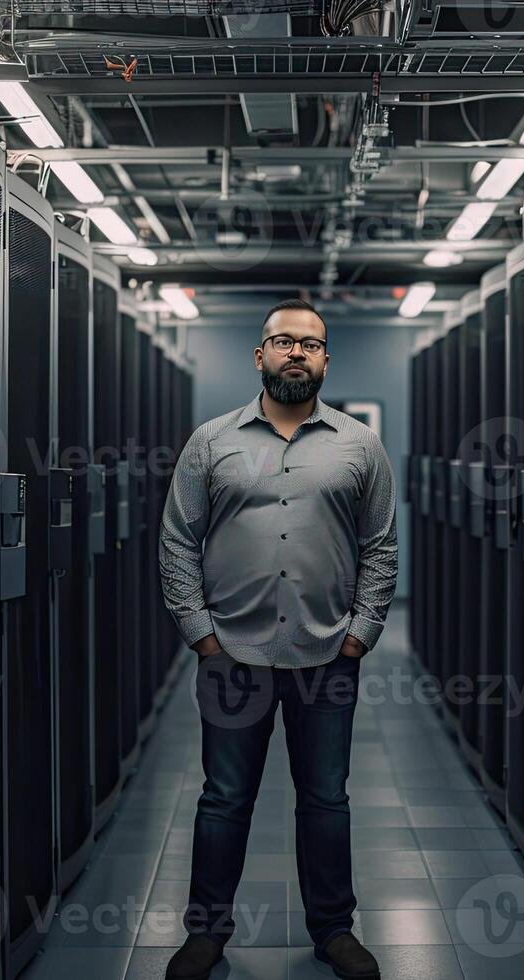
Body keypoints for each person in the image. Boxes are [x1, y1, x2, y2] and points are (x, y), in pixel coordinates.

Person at [158, 298, 399, 980]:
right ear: (259, 355)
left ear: (326, 360)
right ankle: (205, 933)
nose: (298, 352)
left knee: (326, 798)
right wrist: (202, 636)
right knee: (223, 798)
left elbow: (381, 544)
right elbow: (177, 540)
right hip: (231, 655)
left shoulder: (359, 446)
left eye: (312, 344)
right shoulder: (212, 442)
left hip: (328, 656)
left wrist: (361, 634)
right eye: (284, 341)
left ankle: (333, 930)